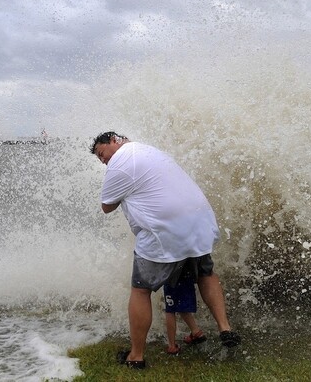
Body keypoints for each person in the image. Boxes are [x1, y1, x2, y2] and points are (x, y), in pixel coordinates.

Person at [90, 131, 241, 370]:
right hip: (198, 221)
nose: (103, 161)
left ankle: (136, 356)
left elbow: (106, 206)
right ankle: (225, 328)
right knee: (205, 273)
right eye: (100, 159)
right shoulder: (152, 151)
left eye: (101, 154)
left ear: (115, 140)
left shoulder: (119, 163)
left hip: (166, 232)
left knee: (141, 290)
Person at [163, 264, 207, 355]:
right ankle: (196, 331)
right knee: (181, 304)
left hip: (172, 272)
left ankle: (172, 346)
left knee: (170, 309)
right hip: (187, 269)